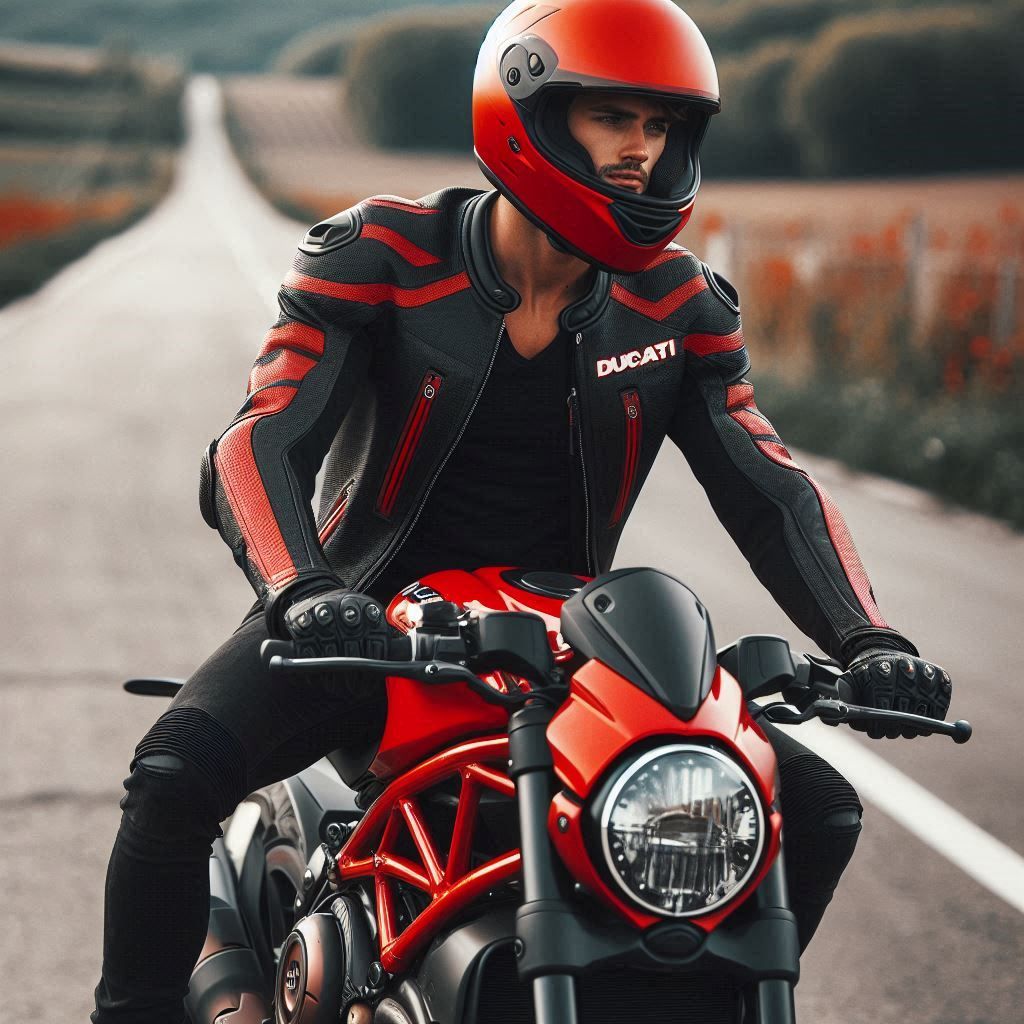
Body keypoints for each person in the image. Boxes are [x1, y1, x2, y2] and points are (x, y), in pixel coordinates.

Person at [92, 0, 953, 1020]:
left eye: (664, 125)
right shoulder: (381, 255)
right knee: (175, 772)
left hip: (567, 640)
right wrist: (302, 588)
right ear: (529, 113)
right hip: (364, 623)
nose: (642, 150)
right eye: (614, 117)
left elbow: (767, 487)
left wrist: (869, 637)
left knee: (808, 808)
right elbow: (255, 442)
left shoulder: (679, 304)